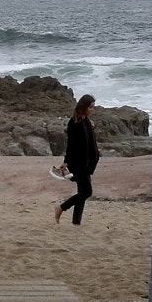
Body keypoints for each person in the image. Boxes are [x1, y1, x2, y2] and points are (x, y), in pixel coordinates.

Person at [54, 94, 99, 224]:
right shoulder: (74, 123)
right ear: (84, 107)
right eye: (90, 107)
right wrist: (66, 161)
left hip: (88, 163)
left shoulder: (86, 121)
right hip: (80, 164)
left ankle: (76, 222)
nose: (92, 110)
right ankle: (61, 207)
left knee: (82, 192)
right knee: (87, 192)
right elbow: (71, 144)